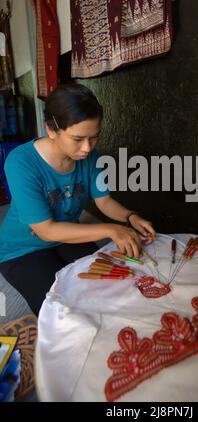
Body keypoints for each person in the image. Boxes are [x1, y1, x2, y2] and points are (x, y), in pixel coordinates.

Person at [0, 84, 156, 315]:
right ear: (51, 129)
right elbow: (47, 231)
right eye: (77, 138)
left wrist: (130, 217)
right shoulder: (21, 163)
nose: (86, 148)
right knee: (58, 308)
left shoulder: (91, 156)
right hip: (22, 249)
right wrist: (111, 230)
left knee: (106, 287)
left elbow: (104, 201)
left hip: (66, 236)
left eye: (94, 137)